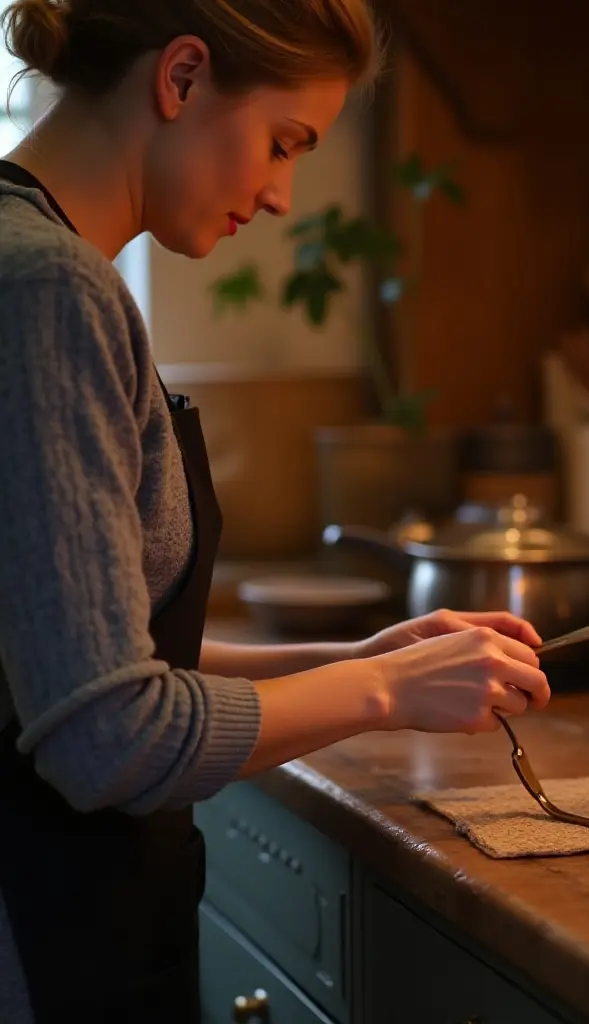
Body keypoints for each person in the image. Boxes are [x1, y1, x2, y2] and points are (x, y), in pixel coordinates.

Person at [0, 1, 551, 1021]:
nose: (284, 193)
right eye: (282, 143)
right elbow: (106, 736)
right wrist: (384, 687)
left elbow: (93, 665)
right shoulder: (48, 290)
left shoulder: (42, 263)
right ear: (181, 78)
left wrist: (363, 656)